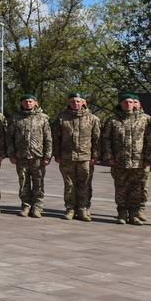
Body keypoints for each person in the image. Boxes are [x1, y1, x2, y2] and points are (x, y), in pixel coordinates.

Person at [100, 92, 151, 225]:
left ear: (135, 104)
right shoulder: (112, 120)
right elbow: (106, 139)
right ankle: (122, 213)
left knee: (136, 189)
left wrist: (150, 157)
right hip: (119, 161)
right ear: (120, 104)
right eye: (125, 102)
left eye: (131, 102)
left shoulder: (146, 119)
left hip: (139, 162)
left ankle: (134, 215)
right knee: (120, 189)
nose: (128, 104)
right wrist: (109, 157)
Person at [52, 92, 100, 222]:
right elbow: (56, 138)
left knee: (85, 184)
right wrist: (57, 154)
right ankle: (70, 209)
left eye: (78, 101)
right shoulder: (62, 118)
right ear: (68, 103)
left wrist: (95, 156)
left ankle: (83, 209)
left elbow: (96, 139)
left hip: (85, 158)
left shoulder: (92, 119)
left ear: (83, 102)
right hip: (67, 157)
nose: (75, 103)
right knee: (69, 184)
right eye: (73, 101)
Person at [8, 93, 52, 217]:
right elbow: (9, 137)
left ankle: (37, 207)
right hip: (21, 156)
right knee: (23, 183)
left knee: (38, 183)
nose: (28, 104)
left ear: (35, 103)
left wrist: (47, 156)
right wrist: (11, 154)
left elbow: (48, 138)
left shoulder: (42, 118)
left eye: (30, 101)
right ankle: (26, 206)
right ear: (21, 103)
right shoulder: (15, 118)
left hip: (37, 156)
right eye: (25, 102)